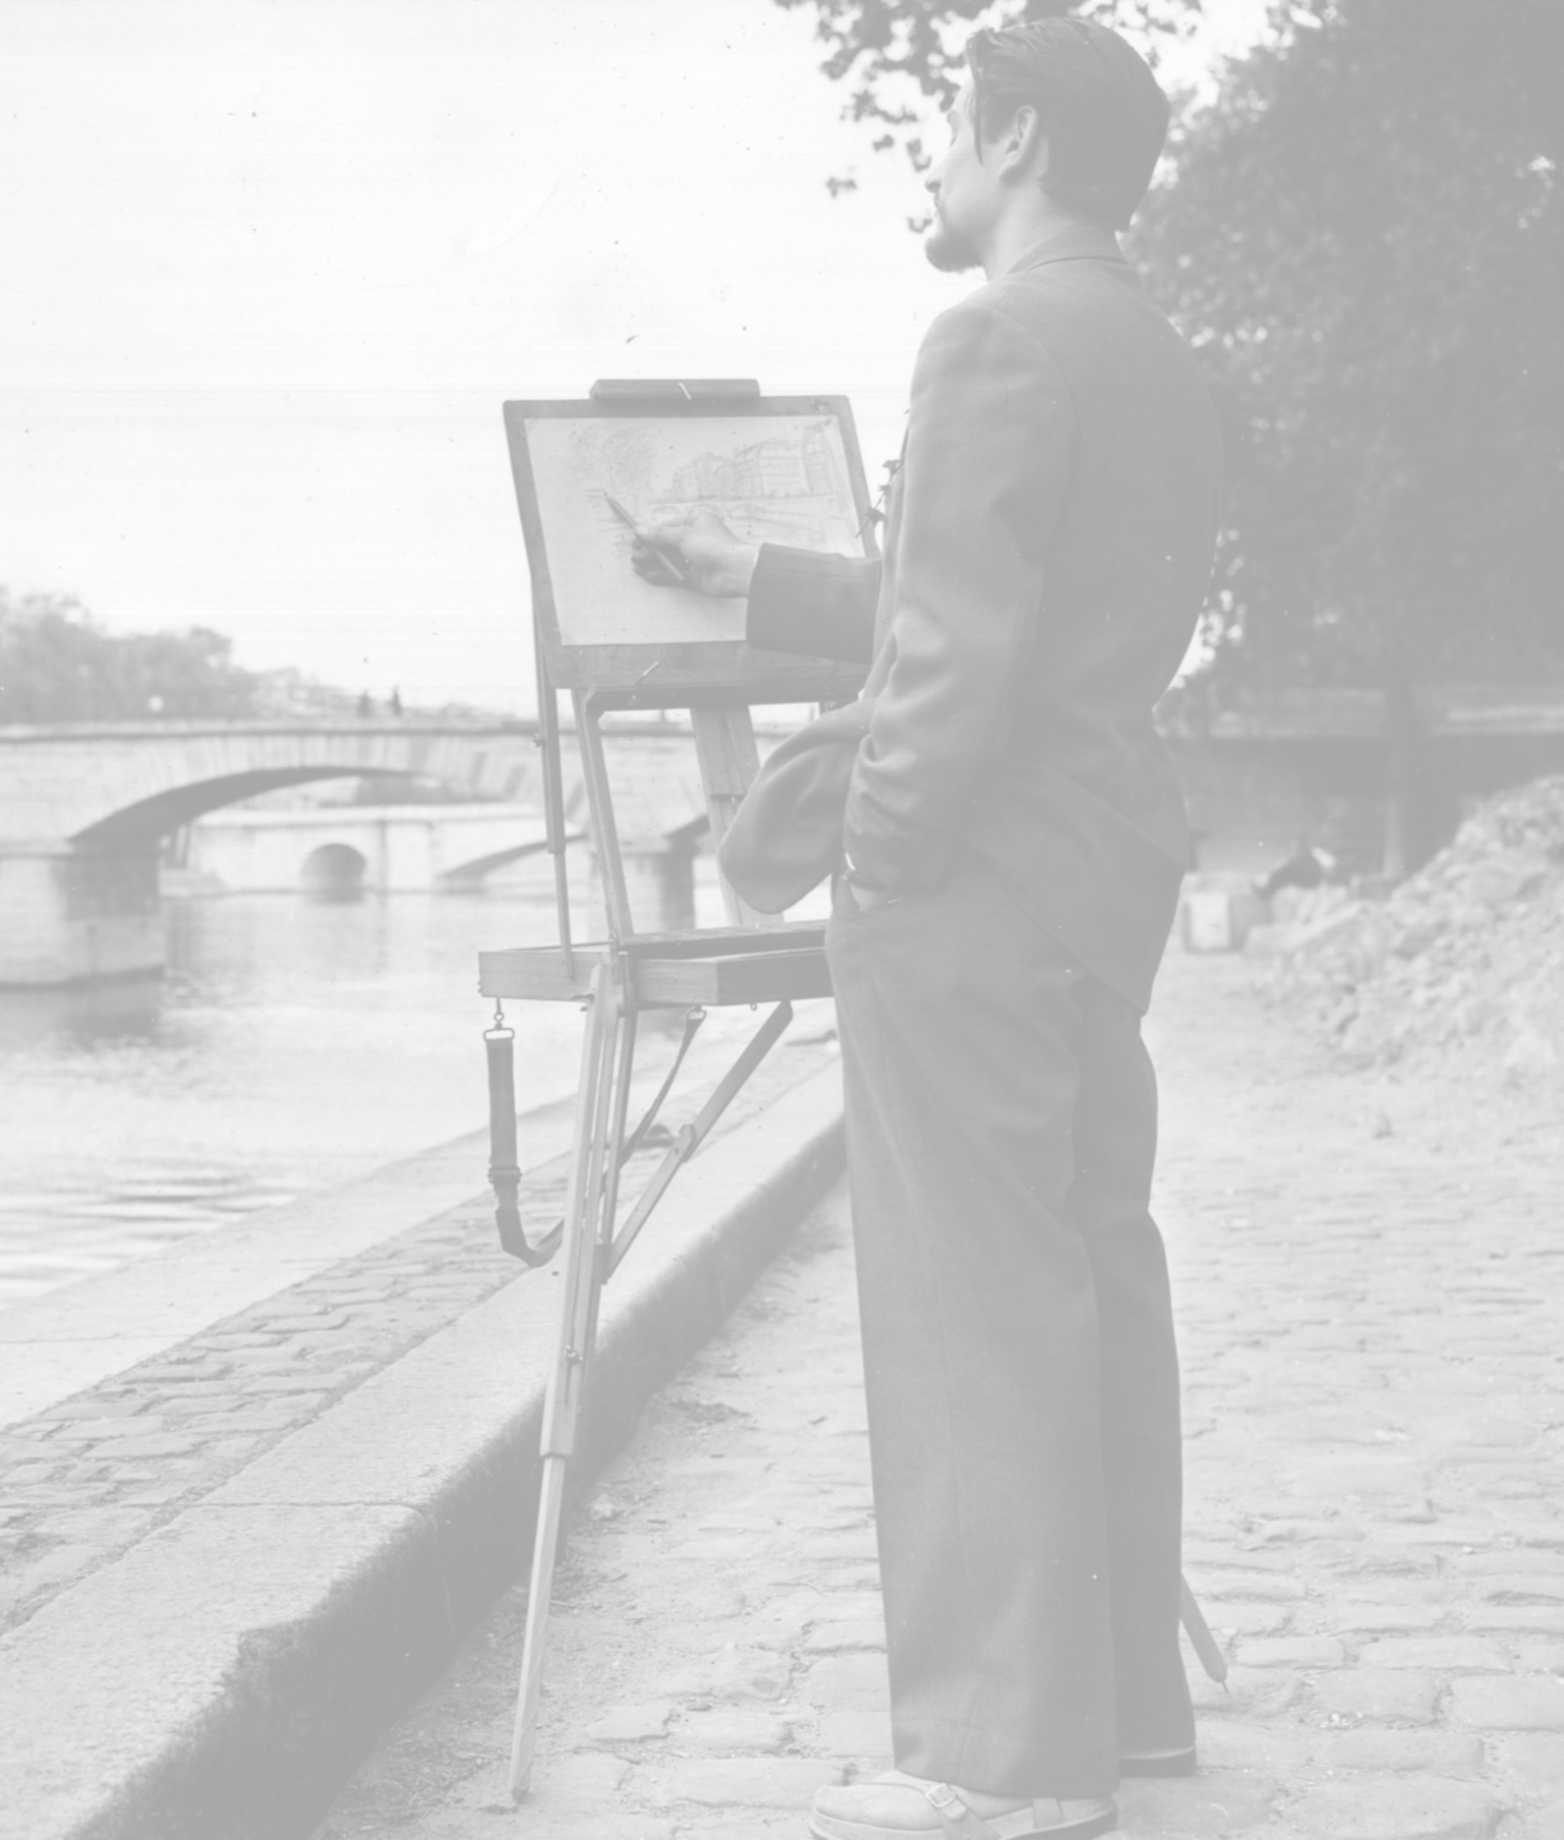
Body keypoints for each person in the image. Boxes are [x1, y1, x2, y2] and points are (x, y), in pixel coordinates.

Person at [633, 18, 1220, 1840]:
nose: (939, 170)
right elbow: (1009, 598)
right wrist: (772, 582)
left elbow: (957, 660)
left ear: (1020, 137)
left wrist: (873, 860)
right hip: (1095, 869)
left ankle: (1009, 1759)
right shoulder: (1155, 352)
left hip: (964, 885)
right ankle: (1126, 1719)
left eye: (954, 137)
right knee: (1092, 1270)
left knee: (976, 1311)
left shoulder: (985, 336)